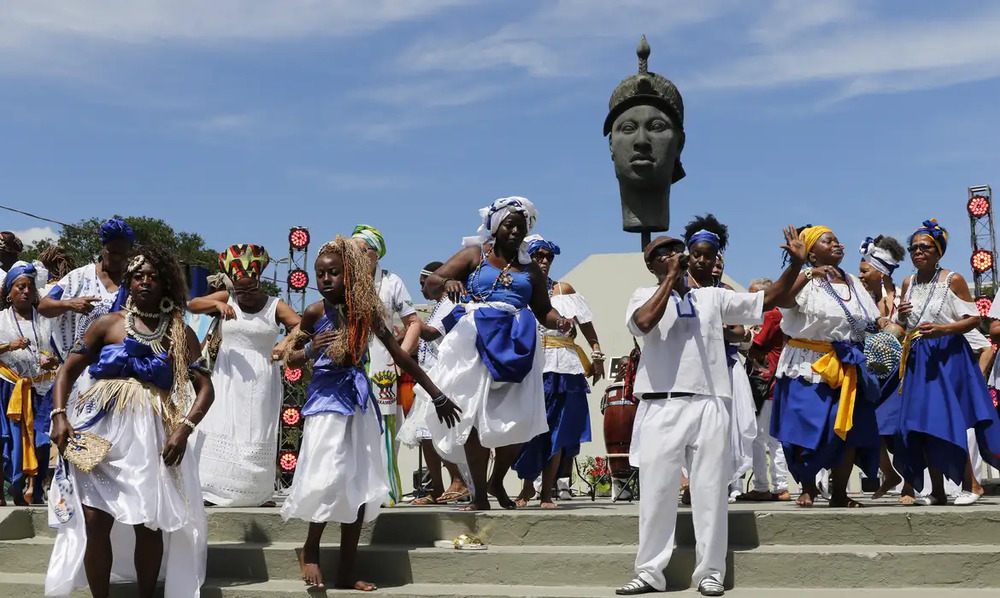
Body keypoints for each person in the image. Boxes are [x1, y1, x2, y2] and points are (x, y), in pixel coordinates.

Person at [616, 228, 804, 597]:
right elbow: (643, 323)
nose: (674, 257)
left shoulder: (713, 297)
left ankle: (710, 572)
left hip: (711, 401)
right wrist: (671, 280)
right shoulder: (643, 296)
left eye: (677, 252)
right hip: (660, 402)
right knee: (656, 493)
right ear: (652, 264)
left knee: (711, 492)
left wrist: (796, 262)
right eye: (664, 254)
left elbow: (772, 298)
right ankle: (650, 572)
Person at [280, 237, 460, 591]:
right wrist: (309, 350)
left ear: (350, 275)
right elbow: (289, 356)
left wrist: (436, 393)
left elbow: (402, 354)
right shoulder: (315, 312)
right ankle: (311, 549)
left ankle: (347, 569)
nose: (327, 279)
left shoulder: (367, 311)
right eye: (321, 273)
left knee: (359, 484)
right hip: (326, 401)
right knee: (327, 475)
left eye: (334, 272)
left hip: (359, 401)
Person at [45, 246, 214, 598]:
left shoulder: (180, 333)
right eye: (138, 276)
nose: (145, 282)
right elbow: (66, 373)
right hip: (98, 431)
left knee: (147, 523)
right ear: (129, 282)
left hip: (150, 436)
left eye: (154, 277)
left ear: (166, 284)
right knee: (95, 522)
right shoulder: (106, 324)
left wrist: (184, 429)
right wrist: (60, 416)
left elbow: (205, 389)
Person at [407, 196, 571, 511]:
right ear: (495, 227)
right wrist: (450, 281)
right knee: (470, 417)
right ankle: (480, 493)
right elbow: (432, 283)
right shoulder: (474, 254)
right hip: (475, 337)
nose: (515, 232)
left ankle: (498, 479)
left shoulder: (531, 270)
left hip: (518, 341)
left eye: (521, 228)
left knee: (520, 419)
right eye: (509, 225)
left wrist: (561, 322)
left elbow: (543, 310)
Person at [771, 225, 883, 508]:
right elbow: (782, 300)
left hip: (847, 363)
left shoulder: (853, 282)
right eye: (828, 240)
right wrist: (806, 272)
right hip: (808, 364)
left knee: (845, 429)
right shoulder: (802, 278)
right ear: (810, 252)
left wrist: (885, 326)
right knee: (802, 427)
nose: (837, 244)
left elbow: (870, 318)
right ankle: (807, 486)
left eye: (837, 239)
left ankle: (840, 493)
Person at [891, 220, 1000, 505]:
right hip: (918, 355)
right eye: (913, 247)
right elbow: (904, 326)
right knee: (922, 422)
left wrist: (943, 330)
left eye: (924, 247)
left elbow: (974, 319)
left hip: (947, 354)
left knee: (948, 418)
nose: (918, 251)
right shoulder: (908, 282)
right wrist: (902, 317)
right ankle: (937, 490)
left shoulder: (953, 279)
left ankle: (972, 484)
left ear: (938, 251)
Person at [189, 244, 301, 507]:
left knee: (257, 430)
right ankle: (214, 490)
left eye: (251, 289)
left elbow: (300, 324)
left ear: (260, 282)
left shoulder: (275, 305)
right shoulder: (228, 298)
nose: (246, 295)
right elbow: (192, 304)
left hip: (262, 376)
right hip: (227, 376)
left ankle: (256, 493)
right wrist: (217, 302)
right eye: (241, 290)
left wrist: (284, 345)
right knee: (222, 425)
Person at [513, 234, 605, 508]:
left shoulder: (562, 290)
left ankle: (546, 492)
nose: (543, 261)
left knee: (557, 429)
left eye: (548, 257)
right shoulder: (517, 289)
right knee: (529, 428)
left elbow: (585, 322)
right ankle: (527, 485)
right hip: (531, 366)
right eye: (537, 256)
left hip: (564, 366)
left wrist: (596, 352)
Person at [682, 215, 756, 503]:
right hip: (688, 371)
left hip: (722, 368)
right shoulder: (677, 289)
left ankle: (719, 483)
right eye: (697, 254)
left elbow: (738, 332)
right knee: (689, 431)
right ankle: (691, 484)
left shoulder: (724, 293)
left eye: (711, 257)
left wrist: (716, 328)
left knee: (721, 429)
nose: (706, 262)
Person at [351, 224, 421, 507]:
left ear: (374, 254)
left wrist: (400, 357)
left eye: (359, 250)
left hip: (382, 363)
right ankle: (354, 492)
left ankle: (387, 492)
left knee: (384, 427)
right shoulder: (343, 278)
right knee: (350, 426)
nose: (353, 255)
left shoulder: (392, 282)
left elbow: (413, 323)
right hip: (350, 362)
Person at [406, 261, 471, 506]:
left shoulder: (456, 301)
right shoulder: (441, 305)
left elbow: (433, 333)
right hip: (428, 376)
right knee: (425, 434)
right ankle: (436, 487)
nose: (423, 290)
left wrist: (407, 318)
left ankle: (459, 481)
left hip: (444, 376)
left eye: (425, 284)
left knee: (436, 431)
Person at [0, 262, 59, 506]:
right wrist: (8, 346)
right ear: (9, 293)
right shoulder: (1, 319)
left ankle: (35, 490)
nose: (26, 291)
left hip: (41, 388)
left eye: (30, 287)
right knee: (8, 440)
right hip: (8, 387)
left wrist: (53, 361)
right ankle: (10, 489)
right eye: (20, 287)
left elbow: (59, 353)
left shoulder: (46, 320)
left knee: (41, 441)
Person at [38, 218, 135, 360]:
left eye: (123, 254)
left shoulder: (133, 282)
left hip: (118, 369)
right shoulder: (78, 277)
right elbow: (44, 306)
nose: (117, 258)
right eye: (112, 252)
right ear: (103, 247)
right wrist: (69, 304)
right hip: (78, 370)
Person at [741, 278, 790, 501]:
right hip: (764, 382)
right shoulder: (767, 315)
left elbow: (755, 345)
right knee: (764, 438)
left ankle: (772, 487)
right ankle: (773, 486)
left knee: (763, 437)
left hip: (767, 383)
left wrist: (734, 336)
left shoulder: (771, 315)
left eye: (754, 295)